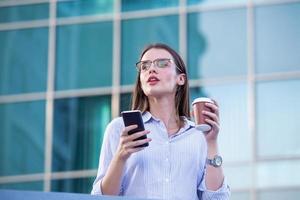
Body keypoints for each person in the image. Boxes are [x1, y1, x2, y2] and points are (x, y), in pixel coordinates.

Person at [91, 43, 230, 199]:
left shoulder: (198, 135)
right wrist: (121, 156)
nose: (151, 69)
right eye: (144, 66)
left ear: (181, 79)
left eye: (162, 63)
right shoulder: (120, 129)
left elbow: (217, 199)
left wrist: (211, 143)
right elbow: (100, 198)